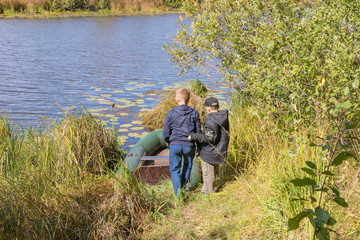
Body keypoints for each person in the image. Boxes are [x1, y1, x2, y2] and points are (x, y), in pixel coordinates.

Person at [163, 88, 201, 196]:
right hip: (189, 145)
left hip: (175, 144)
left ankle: (178, 194)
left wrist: (167, 141)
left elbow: (166, 131)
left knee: (175, 169)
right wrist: (199, 146)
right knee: (187, 166)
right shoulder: (194, 113)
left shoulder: (170, 113)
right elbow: (198, 131)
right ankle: (182, 187)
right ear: (189, 99)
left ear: (176, 99)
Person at [188, 97, 229, 194]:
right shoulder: (223, 117)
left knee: (208, 176)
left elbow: (208, 139)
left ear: (208, 109)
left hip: (209, 153)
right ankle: (206, 192)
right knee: (213, 175)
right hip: (219, 151)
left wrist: (194, 136)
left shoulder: (210, 122)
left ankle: (208, 195)